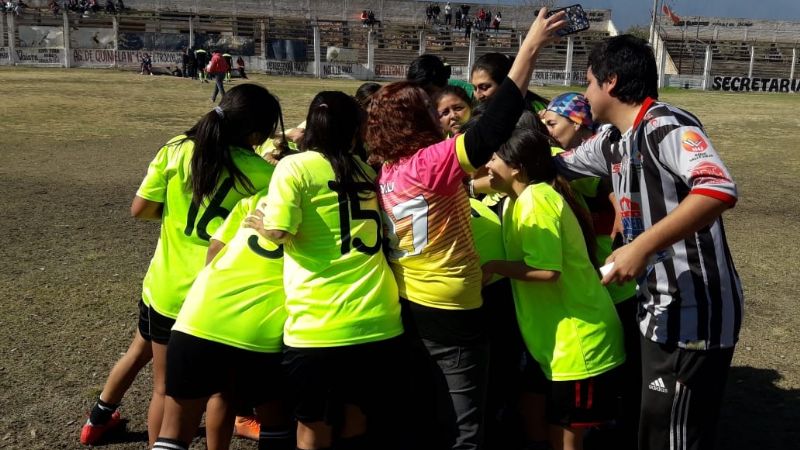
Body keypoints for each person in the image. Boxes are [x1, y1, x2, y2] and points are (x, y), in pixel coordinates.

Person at [365, 9, 566, 450]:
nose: (439, 117)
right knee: (465, 424)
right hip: (453, 307)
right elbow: (498, 120)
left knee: (427, 410)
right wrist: (530, 46)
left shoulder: (390, 170)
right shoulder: (431, 163)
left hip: (410, 298)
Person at [554, 34, 743, 450]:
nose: (584, 92)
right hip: (657, 309)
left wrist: (641, 246)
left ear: (612, 82)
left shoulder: (665, 125)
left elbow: (717, 188)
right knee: (654, 427)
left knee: (674, 436)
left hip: (693, 313)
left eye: (588, 82)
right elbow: (556, 165)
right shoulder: (612, 140)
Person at [81, 84, 281, 448]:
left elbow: (140, 210)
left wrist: (175, 213)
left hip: (166, 289)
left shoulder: (176, 149)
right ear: (256, 134)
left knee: (165, 391)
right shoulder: (263, 175)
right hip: (220, 298)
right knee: (224, 393)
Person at [248, 91, 411, 450]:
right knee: (356, 420)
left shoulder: (296, 166)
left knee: (312, 427)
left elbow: (279, 231)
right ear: (355, 132)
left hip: (318, 323)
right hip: (378, 319)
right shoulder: (367, 170)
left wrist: (260, 225)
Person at [481, 129, 626, 450]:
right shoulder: (521, 198)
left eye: (493, 158)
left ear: (516, 167)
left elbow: (547, 271)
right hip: (555, 346)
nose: (487, 165)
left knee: (565, 437)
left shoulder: (536, 201)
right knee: (542, 422)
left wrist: (492, 267)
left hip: (579, 346)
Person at [154, 190, 292, 450]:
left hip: (198, 318)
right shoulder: (326, 207)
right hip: (260, 333)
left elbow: (214, 251)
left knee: (172, 434)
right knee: (277, 426)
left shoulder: (257, 198)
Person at [544, 92, 641, 449]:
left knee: (623, 362)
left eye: (552, 123)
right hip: (603, 278)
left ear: (578, 123)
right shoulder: (573, 157)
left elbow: (607, 188)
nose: (547, 131)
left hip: (612, 280)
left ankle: (621, 424)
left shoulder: (585, 163)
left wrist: (619, 214)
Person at [470, 52, 549, 112]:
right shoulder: (475, 111)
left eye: (484, 87)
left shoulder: (540, 111)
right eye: (474, 88)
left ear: (505, 83)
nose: (478, 95)